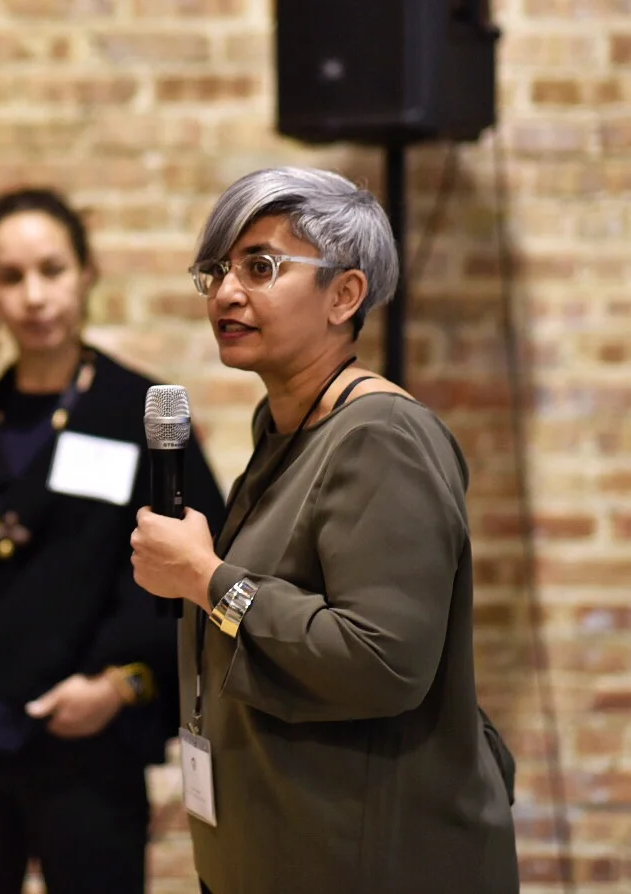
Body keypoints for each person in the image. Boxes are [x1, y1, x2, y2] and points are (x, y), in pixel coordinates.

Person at [130, 167, 519, 894]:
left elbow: (382, 661)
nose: (225, 293)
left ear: (344, 295)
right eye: (215, 270)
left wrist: (207, 580)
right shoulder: (285, 427)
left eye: (260, 266)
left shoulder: (381, 436)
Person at [0, 187, 228, 894]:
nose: (34, 296)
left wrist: (120, 686)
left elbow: (200, 573)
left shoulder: (137, 413)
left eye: (51, 270)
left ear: (85, 274)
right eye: (10, 278)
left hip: (88, 739)